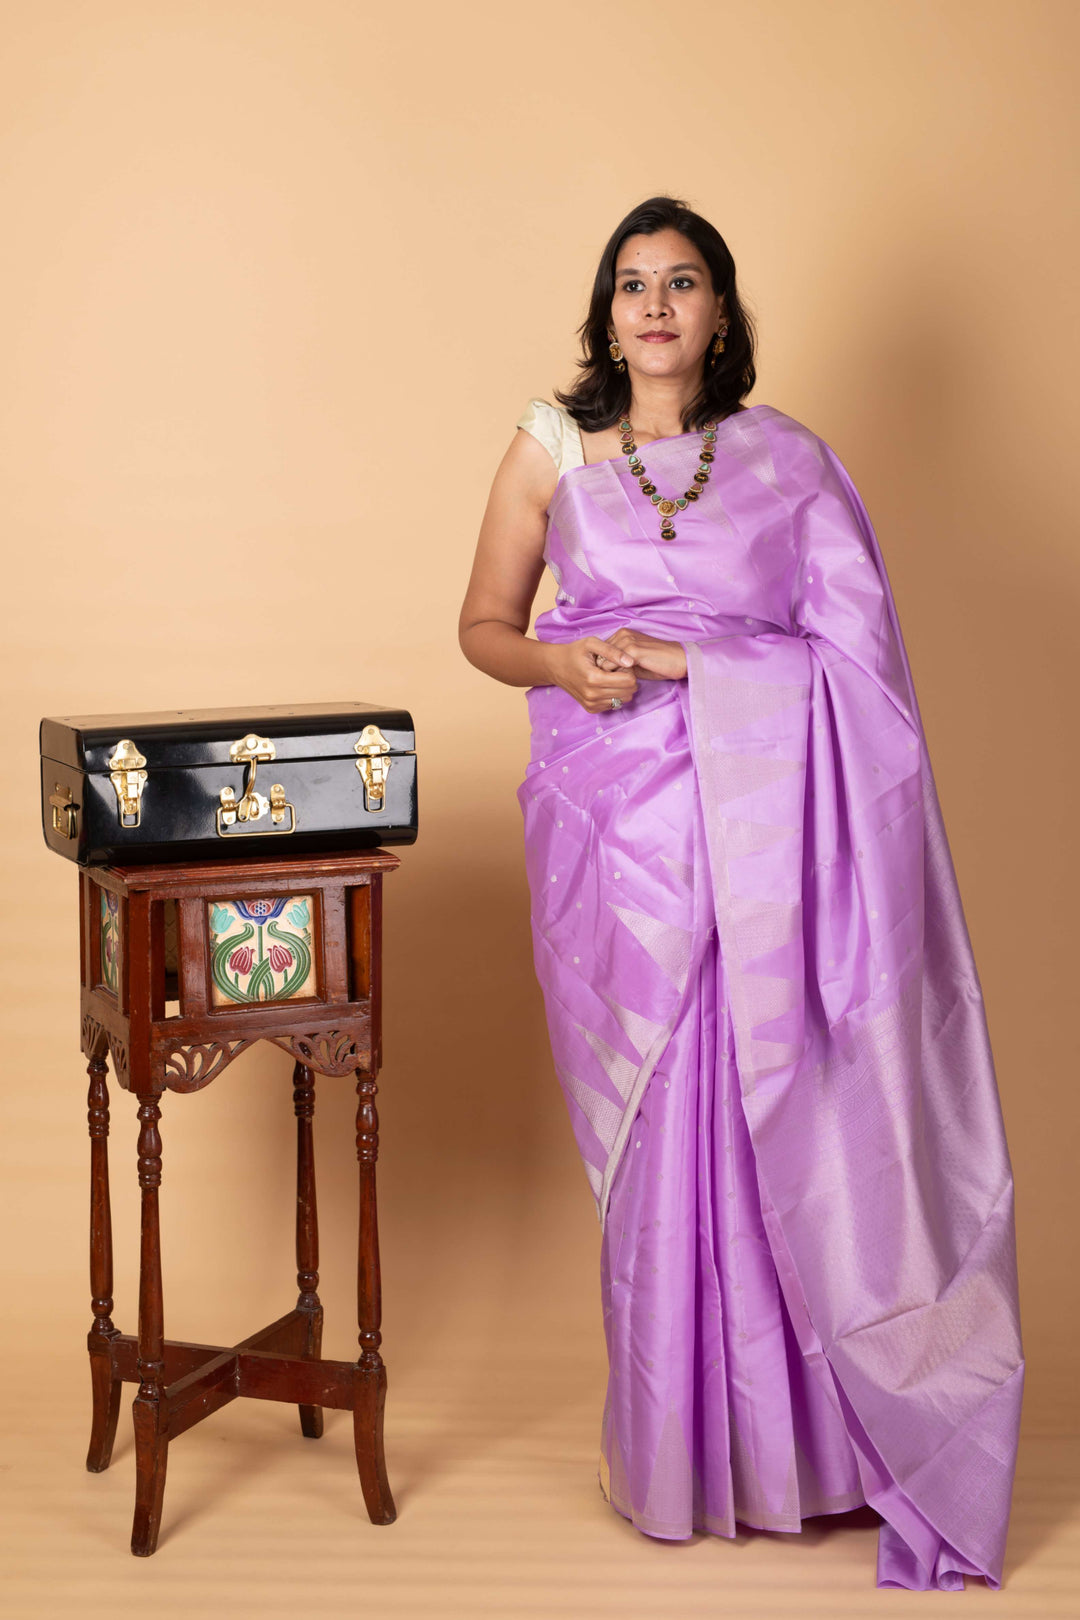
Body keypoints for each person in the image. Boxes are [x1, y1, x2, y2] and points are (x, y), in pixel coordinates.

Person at [457, 194, 1024, 1591]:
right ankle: (680, 1454)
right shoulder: (550, 449)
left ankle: (814, 1458)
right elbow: (484, 626)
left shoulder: (791, 465)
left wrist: (687, 662)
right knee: (665, 1126)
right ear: (607, 318)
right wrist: (564, 665)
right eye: (632, 284)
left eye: (684, 282)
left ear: (721, 315)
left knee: (789, 1103)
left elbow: (862, 672)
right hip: (619, 836)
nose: (655, 305)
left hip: (774, 831)